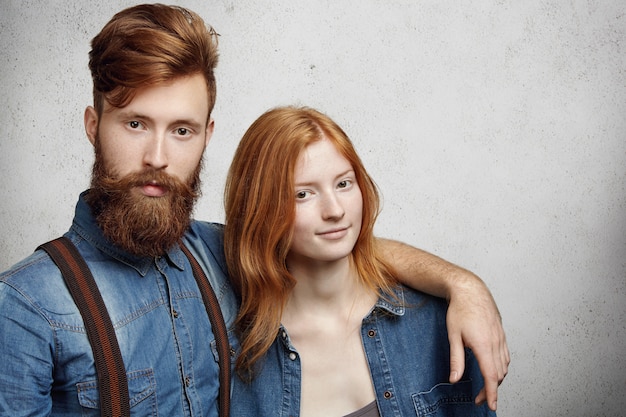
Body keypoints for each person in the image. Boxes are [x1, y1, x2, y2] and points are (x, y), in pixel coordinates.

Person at [0, 4, 507, 416]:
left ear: (206, 136)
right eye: (135, 124)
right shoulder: (27, 305)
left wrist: (464, 286)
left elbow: (338, 246)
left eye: (182, 130)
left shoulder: (217, 252)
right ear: (93, 124)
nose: (158, 157)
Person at [225, 106, 497, 416]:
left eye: (343, 184)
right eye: (303, 194)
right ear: (260, 207)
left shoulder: (436, 322)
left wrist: (466, 284)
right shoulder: (231, 351)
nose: (335, 210)